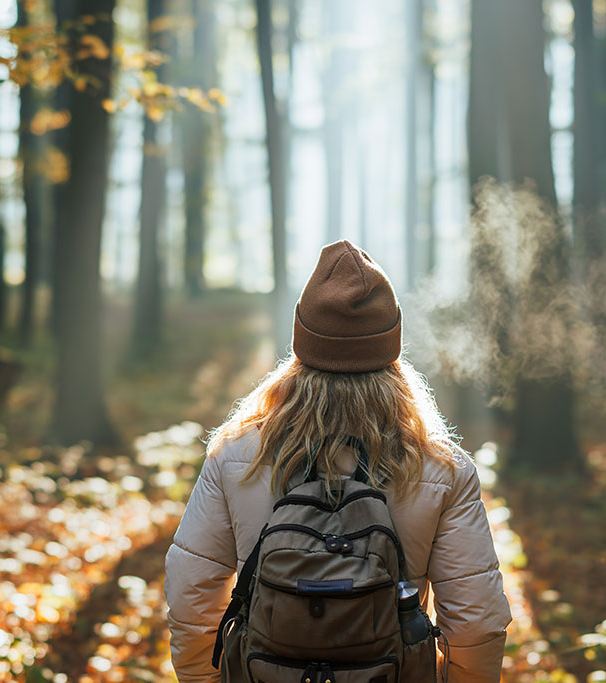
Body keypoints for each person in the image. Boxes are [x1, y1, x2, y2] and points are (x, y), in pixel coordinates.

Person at [164, 240, 512, 682]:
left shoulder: (237, 456)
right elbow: (477, 622)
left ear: (301, 345)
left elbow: (191, 596)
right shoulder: (441, 468)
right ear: (391, 350)